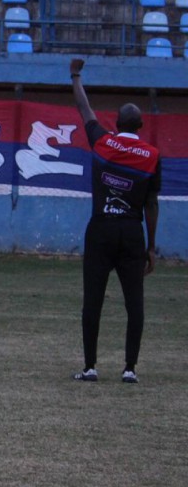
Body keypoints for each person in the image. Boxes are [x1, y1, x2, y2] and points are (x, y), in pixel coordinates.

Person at [69, 59, 160, 384]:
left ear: (116, 123)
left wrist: (75, 75)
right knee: (134, 302)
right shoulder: (151, 155)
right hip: (132, 232)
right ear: (139, 126)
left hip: (101, 229)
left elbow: (84, 107)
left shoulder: (102, 142)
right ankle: (130, 369)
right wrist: (151, 247)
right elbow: (151, 203)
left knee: (92, 300)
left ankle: (90, 367)